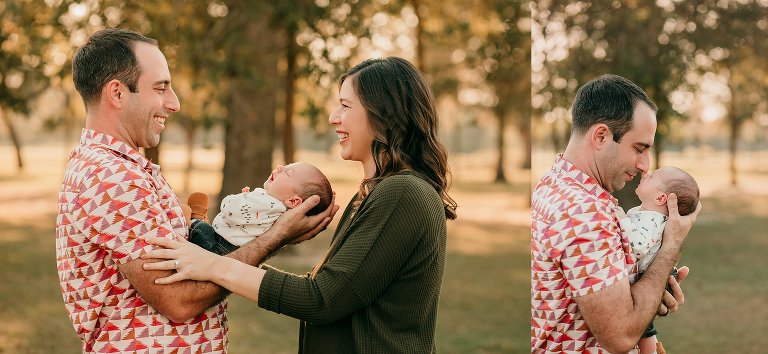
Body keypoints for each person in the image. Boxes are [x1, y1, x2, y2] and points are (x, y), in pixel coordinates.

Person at [142, 56, 458, 353]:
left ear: (383, 115)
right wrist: (238, 247)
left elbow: (321, 299)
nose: (334, 118)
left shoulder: (403, 193)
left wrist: (212, 264)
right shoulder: (375, 193)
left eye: (345, 106)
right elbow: (330, 290)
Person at [55, 28, 335, 353]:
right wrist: (274, 237)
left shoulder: (115, 167)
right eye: (161, 88)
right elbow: (179, 301)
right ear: (117, 94)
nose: (174, 103)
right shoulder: (113, 177)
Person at [530, 74, 702, 353]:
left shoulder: (553, 186)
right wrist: (671, 246)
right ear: (601, 136)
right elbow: (620, 335)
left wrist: (648, 296)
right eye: (639, 148)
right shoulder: (583, 212)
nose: (645, 165)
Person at [618, 166, 699, 354]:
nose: (646, 174)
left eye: (652, 176)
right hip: (652, 273)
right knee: (642, 326)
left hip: (652, 276)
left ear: (661, 198)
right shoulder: (647, 213)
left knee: (642, 326)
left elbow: (637, 247)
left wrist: (622, 220)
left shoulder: (652, 219)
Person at [186, 162, 333, 255]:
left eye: (287, 173)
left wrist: (237, 200)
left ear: (293, 201)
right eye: (285, 166)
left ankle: (194, 220)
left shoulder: (267, 204)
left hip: (220, 249)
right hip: (233, 247)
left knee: (200, 230)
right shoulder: (276, 210)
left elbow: (227, 207)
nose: (280, 167)